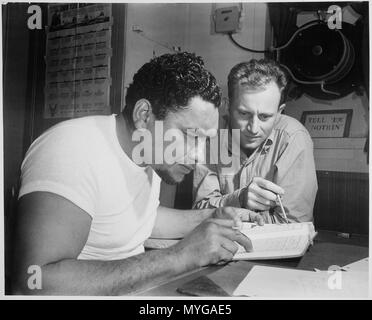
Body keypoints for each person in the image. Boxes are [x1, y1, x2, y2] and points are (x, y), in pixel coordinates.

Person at [11, 52, 263, 296]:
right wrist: (181, 256)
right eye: (190, 136)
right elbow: (34, 283)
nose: (198, 156)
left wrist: (211, 217)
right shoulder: (71, 148)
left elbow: (137, 220)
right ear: (144, 115)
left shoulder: (148, 152)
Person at [193, 59, 318, 223]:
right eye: (244, 114)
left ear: (279, 111)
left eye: (265, 117)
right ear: (227, 106)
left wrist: (228, 211)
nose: (253, 128)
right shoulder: (212, 136)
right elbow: (200, 209)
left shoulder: (294, 137)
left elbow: (292, 223)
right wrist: (239, 198)